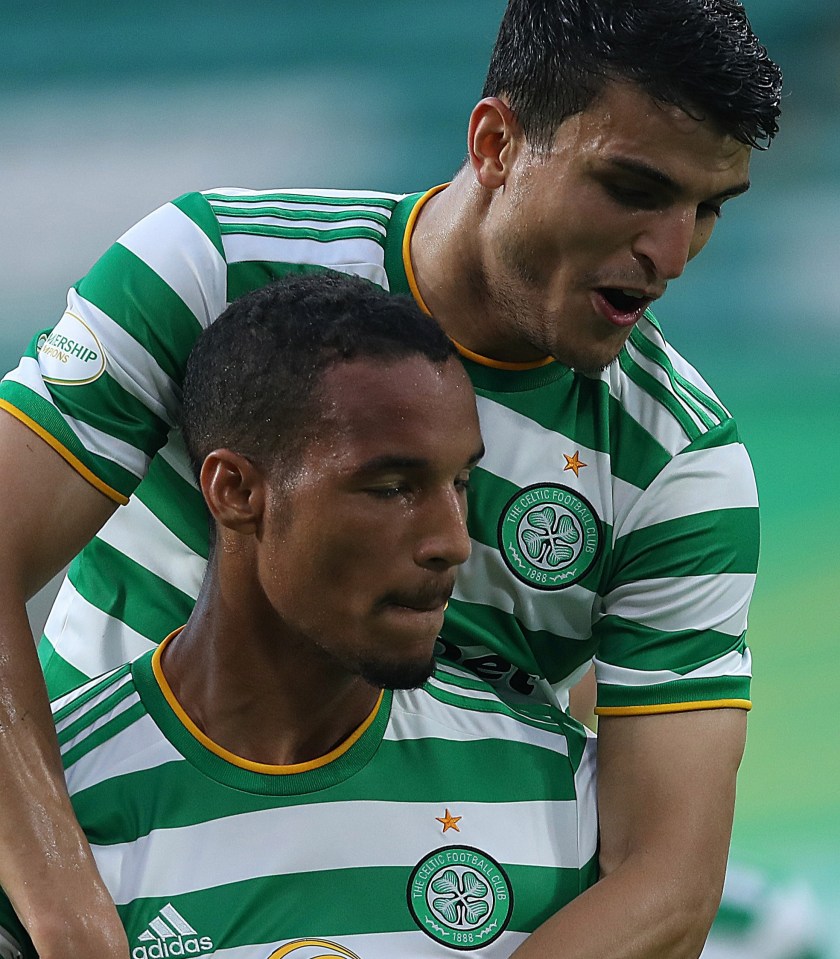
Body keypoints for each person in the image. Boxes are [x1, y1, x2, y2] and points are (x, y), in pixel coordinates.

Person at [0, 1, 782, 957]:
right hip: (101, 873)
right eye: (631, 187)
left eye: (707, 209)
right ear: (497, 142)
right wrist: (70, 915)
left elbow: (666, 881)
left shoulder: (677, 464)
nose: (669, 253)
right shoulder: (211, 271)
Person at [0, 273, 599, 959]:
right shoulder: (55, 814)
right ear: (237, 491)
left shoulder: (558, 789)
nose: (452, 540)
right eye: (392, 487)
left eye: (459, 482)